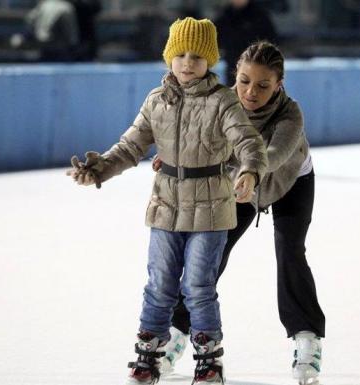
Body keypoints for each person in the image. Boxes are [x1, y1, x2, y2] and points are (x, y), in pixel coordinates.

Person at [67, 17, 267, 385]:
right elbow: (130, 146)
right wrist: (98, 171)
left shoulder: (222, 101)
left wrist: (250, 172)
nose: (188, 62)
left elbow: (249, 143)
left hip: (211, 206)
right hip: (166, 204)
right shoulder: (156, 101)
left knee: (198, 286)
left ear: (210, 60)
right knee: (159, 282)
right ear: (168, 58)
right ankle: (148, 355)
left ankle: (208, 360)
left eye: (197, 55)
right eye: (180, 54)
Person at [154, 41, 326, 385]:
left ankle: (307, 339)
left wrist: (249, 171)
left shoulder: (291, 113)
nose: (251, 92)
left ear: (279, 84)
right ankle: (175, 333)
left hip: (290, 181)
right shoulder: (221, 102)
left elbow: (275, 154)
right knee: (210, 254)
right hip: (240, 184)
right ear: (236, 75)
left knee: (290, 250)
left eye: (263, 85)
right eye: (245, 81)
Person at [214, 0, 277, 86]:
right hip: (233, 70)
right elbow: (215, 39)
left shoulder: (260, 17)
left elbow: (272, 42)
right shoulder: (224, 17)